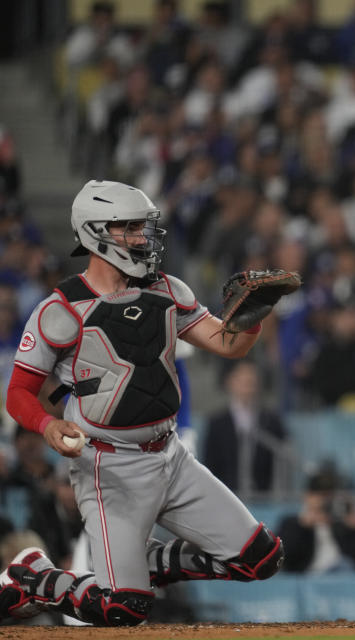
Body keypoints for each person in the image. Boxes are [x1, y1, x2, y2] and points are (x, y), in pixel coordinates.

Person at [0, 180, 289, 626]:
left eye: (142, 227)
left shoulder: (167, 290)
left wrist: (253, 314)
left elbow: (228, 346)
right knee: (124, 609)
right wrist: (47, 425)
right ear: (97, 231)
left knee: (260, 559)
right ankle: (34, 576)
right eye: (130, 227)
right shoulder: (60, 309)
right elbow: (17, 393)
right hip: (107, 467)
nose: (141, 237)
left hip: (170, 456)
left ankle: (148, 563)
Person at [203, 360, 288, 496]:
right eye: (242, 380)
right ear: (230, 382)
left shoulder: (271, 421)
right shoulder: (217, 423)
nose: (247, 386)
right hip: (227, 496)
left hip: (264, 498)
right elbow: (210, 464)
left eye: (251, 381)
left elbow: (280, 460)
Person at [276, 470, 355, 573]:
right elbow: (285, 558)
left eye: (330, 495)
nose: (325, 500)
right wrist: (303, 526)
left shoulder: (340, 523)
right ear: (308, 496)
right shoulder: (292, 523)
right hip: (309, 577)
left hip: (342, 577)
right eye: (321, 495)